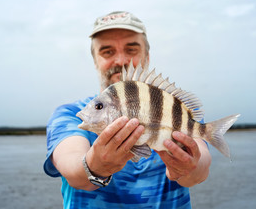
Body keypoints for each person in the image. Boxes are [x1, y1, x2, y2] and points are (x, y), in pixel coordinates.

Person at [44, 11, 212, 208]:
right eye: (107, 51)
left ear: (147, 56)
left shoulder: (174, 109)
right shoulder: (70, 114)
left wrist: (187, 168)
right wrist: (95, 166)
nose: (121, 60)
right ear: (95, 60)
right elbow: (72, 168)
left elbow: (201, 167)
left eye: (131, 50)